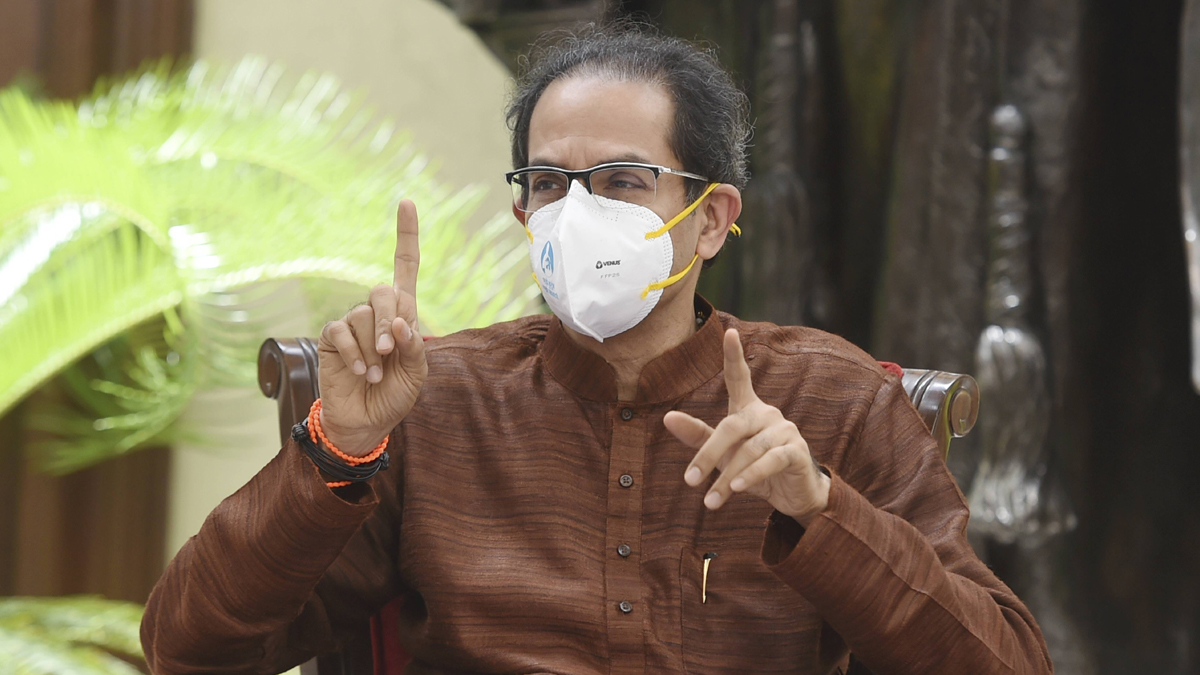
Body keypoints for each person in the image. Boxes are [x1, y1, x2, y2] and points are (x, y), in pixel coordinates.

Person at [141, 22, 1052, 675]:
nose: (577, 214)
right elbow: (186, 647)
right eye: (549, 183)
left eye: (621, 181)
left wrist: (818, 508)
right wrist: (337, 447)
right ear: (523, 211)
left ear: (710, 220)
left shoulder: (835, 401)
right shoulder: (433, 399)